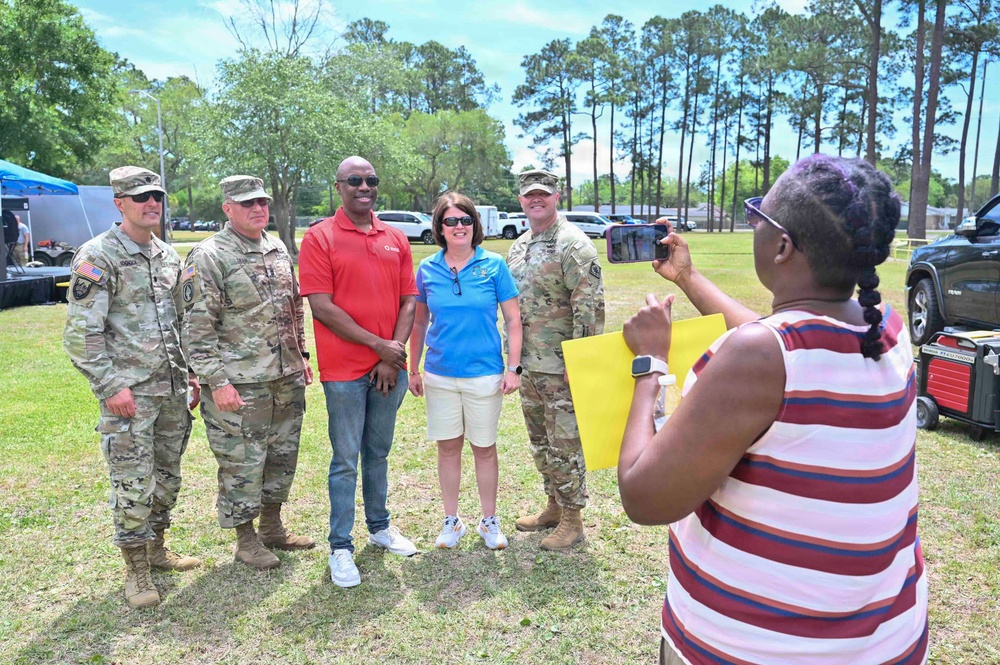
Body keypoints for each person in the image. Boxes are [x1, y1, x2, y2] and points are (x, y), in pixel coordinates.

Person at [619, 155, 927, 664]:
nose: (753, 223)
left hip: (755, 647)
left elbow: (644, 497)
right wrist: (688, 278)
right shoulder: (885, 327)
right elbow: (779, 339)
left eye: (758, 213)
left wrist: (648, 363)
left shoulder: (760, 357)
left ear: (782, 245)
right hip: (883, 640)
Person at [64, 166, 201, 610]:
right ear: (119, 202)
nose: (151, 204)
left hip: (171, 391)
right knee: (132, 483)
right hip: (129, 396)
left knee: (168, 477)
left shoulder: (166, 256)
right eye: (140, 197)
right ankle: (136, 571)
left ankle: (157, 548)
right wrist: (110, 386)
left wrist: (192, 374)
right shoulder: (97, 256)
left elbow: (180, 322)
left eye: (157, 196)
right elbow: (82, 334)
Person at [181, 175, 314, 572]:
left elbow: (293, 307)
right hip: (240, 382)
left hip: (284, 374)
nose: (258, 209)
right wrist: (215, 381)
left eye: (262, 202)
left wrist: (302, 354)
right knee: (241, 460)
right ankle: (246, 539)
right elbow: (196, 326)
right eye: (247, 204)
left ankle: (272, 525)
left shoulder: (276, 248)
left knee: (281, 454)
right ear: (227, 209)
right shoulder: (209, 255)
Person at [298, 156, 419, 588]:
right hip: (345, 372)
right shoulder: (319, 237)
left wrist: (392, 355)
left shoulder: (395, 237)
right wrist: (376, 345)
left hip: (390, 368)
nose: (364, 186)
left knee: (379, 453)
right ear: (339, 187)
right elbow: (321, 305)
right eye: (355, 180)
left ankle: (381, 526)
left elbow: (409, 300)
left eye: (371, 180)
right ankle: (341, 547)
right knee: (345, 459)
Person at [408, 192, 522, 551]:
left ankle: (489, 520)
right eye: (451, 221)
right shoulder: (427, 269)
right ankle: (451, 520)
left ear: (476, 224)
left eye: (466, 220)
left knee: (484, 448)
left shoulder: (494, 265)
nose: (459, 227)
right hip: (440, 374)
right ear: (440, 228)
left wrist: (513, 367)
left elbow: (514, 319)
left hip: (485, 374)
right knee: (448, 448)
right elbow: (419, 321)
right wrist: (414, 368)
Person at [506, 169, 605, 551]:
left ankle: (573, 518)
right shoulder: (519, 245)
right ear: (521, 200)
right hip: (529, 364)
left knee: (566, 443)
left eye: (543, 194)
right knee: (540, 441)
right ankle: (553, 505)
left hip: (561, 365)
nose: (536, 200)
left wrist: (580, 359)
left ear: (556, 197)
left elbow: (589, 307)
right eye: (530, 195)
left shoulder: (573, 245)